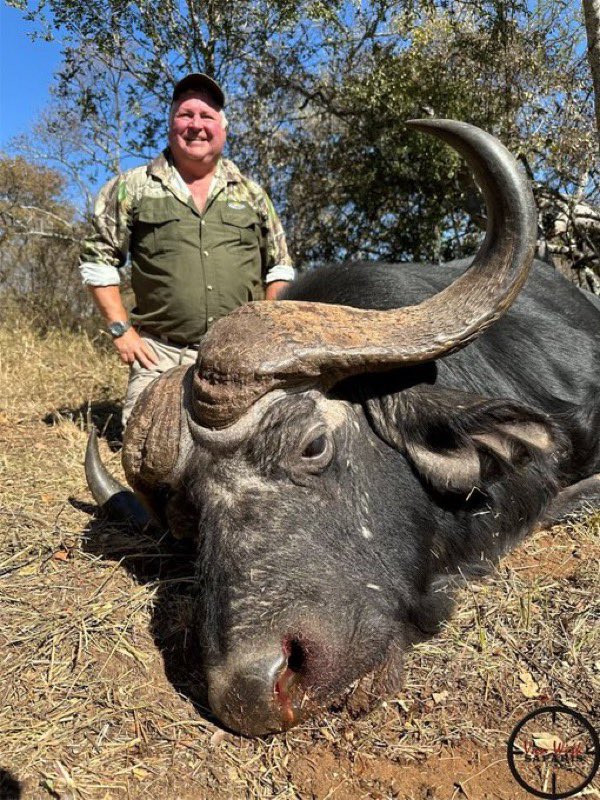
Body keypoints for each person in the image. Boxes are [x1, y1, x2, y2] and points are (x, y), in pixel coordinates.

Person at [80, 73, 294, 425]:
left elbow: (280, 267)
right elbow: (97, 261)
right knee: (147, 452)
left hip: (239, 353)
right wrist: (122, 331)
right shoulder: (131, 188)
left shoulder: (252, 194)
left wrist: (266, 333)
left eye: (207, 116)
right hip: (160, 353)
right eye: (186, 115)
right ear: (170, 125)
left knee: (259, 445)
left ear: (223, 129)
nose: (196, 125)